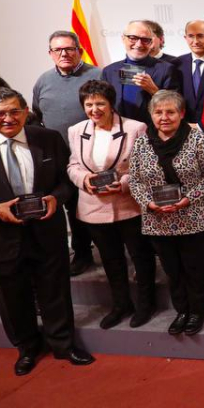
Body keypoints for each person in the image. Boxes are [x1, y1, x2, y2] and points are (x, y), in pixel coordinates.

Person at [0, 87, 93, 376]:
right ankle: (26, 349)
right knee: (12, 298)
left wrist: (56, 198)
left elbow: (66, 181)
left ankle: (63, 345)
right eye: (0, 113)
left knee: (55, 291)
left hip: (46, 232)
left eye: (15, 111)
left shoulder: (48, 139)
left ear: (26, 111)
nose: (8, 118)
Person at [65, 80, 155, 329]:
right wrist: (84, 180)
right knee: (111, 260)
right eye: (89, 104)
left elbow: (145, 166)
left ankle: (146, 304)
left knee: (141, 257)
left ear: (111, 104)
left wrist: (125, 183)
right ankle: (121, 304)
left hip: (129, 204)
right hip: (94, 206)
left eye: (100, 103)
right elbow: (73, 165)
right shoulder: (76, 130)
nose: (95, 109)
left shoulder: (136, 128)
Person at [127, 90, 204, 337]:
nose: (164, 117)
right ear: (151, 115)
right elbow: (134, 180)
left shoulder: (198, 139)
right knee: (172, 270)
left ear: (181, 114)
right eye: (158, 112)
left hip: (194, 217)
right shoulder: (142, 142)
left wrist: (189, 199)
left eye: (170, 112)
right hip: (158, 220)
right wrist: (149, 203)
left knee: (194, 269)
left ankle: (197, 311)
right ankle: (181, 310)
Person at [101, 20, 182, 125]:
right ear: (123, 38)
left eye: (145, 40)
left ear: (151, 43)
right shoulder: (109, 71)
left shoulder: (166, 69)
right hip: (118, 132)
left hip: (152, 134)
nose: (139, 44)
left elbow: (176, 107)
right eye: (133, 38)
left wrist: (154, 91)